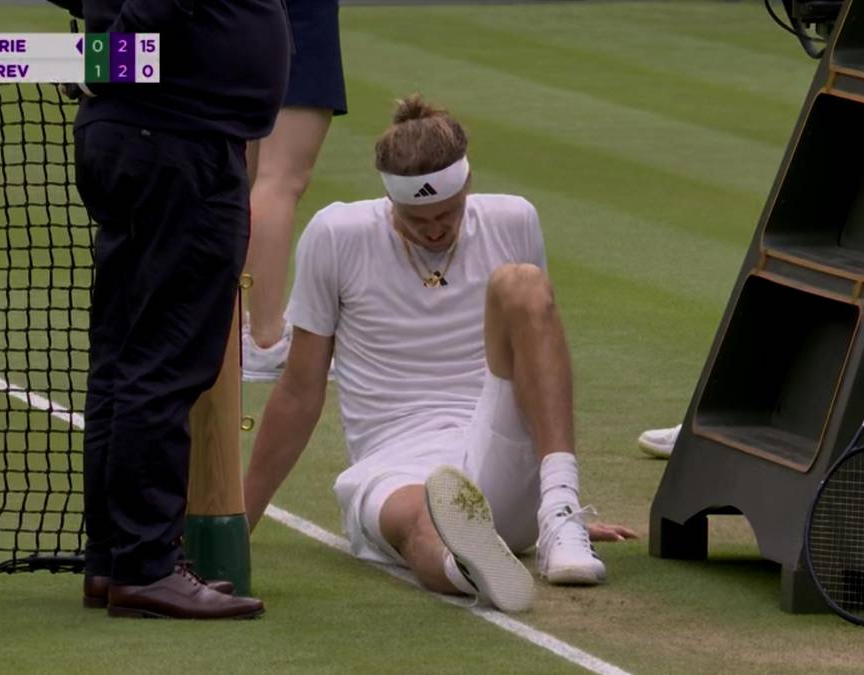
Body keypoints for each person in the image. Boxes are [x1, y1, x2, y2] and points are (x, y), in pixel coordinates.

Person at [242, 95, 638, 613]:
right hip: (393, 463)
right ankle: (468, 568)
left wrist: (549, 493)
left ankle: (560, 513)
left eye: (446, 213)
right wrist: (238, 520)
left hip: (498, 449)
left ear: (468, 185)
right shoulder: (337, 235)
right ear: (391, 199)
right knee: (422, 523)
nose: (433, 229)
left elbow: (538, 362)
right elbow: (298, 392)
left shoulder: (514, 219)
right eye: (416, 216)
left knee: (523, 285)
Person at [72, 0, 290, 619]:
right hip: (175, 138)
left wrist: (106, 52)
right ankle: (144, 567)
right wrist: (121, 45)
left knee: (125, 359)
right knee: (164, 360)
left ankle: (116, 560)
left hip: (144, 132)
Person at [242, 0, 348, 382]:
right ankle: (263, 340)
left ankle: (237, 331)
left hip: (244, 20)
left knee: (253, 174)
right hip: (293, 13)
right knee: (281, 178)